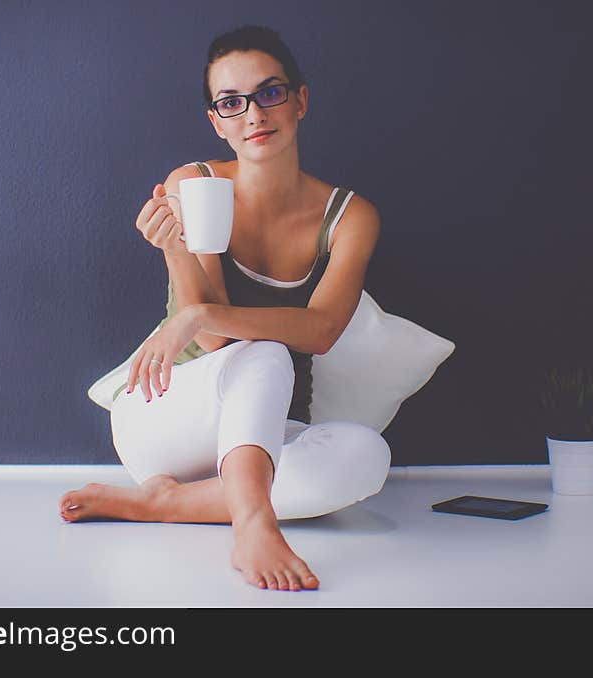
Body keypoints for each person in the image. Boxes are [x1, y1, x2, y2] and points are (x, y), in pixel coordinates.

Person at [59, 25, 390, 592]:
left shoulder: (351, 216)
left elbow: (323, 330)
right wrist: (175, 253)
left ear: (300, 100)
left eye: (270, 93)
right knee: (263, 355)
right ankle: (254, 523)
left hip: (264, 433)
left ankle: (164, 505)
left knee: (368, 457)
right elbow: (212, 343)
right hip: (166, 413)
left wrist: (200, 317)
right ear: (216, 120)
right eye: (232, 103)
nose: (254, 114)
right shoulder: (193, 183)